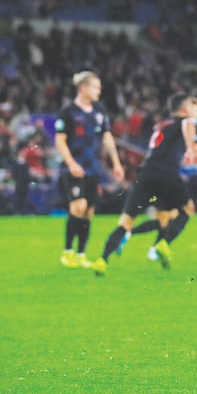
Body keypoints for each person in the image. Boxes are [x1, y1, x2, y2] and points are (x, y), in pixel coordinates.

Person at [91, 93, 197, 275]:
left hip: (146, 174)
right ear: (185, 109)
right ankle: (162, 244)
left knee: (128, 222)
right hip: (167, 174)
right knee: (187, 210)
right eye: (194, 107)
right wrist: (192, 147)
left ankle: (102, 260)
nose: (196, 111)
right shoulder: (186, 122)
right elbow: (189, 130)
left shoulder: (161, 125)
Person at [54, 71, 124, 269]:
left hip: (93, 168)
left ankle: (81, 254)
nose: (99, 91)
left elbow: (107, 137)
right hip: (74, 168)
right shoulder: (68, 112)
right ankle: (67, 252)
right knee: (78, 205)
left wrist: (116, 162)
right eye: (95, 87)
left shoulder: (99, 111)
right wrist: (71, 163)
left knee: (89, 211)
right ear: (83, 88)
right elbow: (60, 140)